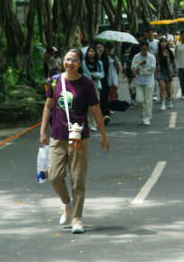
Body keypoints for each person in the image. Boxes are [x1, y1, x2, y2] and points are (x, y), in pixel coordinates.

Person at [39, 47, 109, 234]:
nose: (70, 63)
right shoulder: (55, 82)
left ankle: (77, 218)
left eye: (75, 60)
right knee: (54, 176)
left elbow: (95, 110)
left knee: (78, 180)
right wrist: (42, 131)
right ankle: (67, 203)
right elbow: (48, 107)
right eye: (68, 59)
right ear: (63, 60)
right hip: (57, 136)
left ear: (80, 63)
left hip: (79, 138)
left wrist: (103, 135)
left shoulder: (86, 84)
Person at [131, 39, 157, 125]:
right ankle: (143, 114)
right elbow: (133, 68)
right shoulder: (136, 57)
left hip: (149, 81)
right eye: (143, 49)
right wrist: (139, 65)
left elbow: (152, 69)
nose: (144, 51)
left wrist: (141, 70)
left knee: (148, 100)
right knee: (139, 100)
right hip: (139, 82)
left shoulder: (152, 57)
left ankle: (147, 118)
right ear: (140, 48)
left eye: (146, 49)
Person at [156, 35, 176, 109]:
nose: (163, 43)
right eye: (162, 42)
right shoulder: (157, 53)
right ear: (160, 44)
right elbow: (155, 63)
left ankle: (170, 100)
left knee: (168, 89)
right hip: (160, 72)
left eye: (164, 42)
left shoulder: (170, 52)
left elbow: (174, 62)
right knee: (162, 88)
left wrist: (175, 72)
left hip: (168, 72)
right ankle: (163, 103)